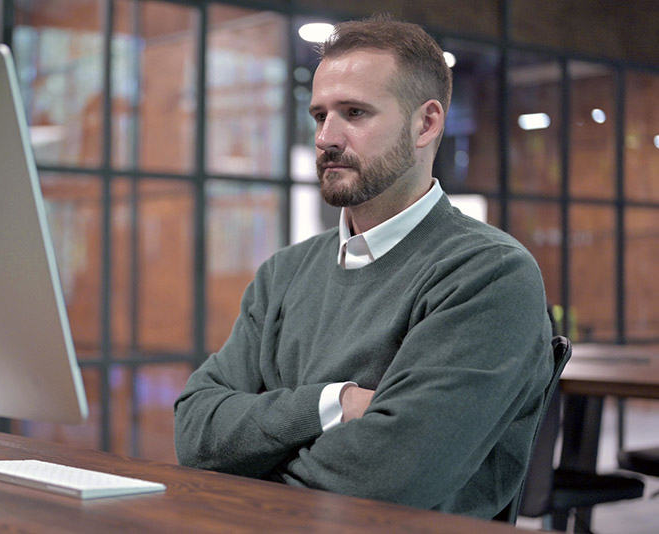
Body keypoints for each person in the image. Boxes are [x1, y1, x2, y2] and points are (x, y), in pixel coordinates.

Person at [173, 15, 552, 520]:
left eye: (354, 112)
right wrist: (334, 403)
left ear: (427, 124)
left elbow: (388, 479)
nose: (326, 137)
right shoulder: (284, 273)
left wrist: (253, 460)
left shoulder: (488, 274)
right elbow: (195, 432)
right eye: (318, 115)